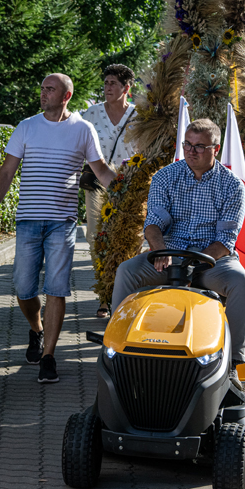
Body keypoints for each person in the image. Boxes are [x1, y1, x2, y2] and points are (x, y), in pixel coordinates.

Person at [0, 73, 116, 384]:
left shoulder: (83, 129)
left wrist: (126, 195)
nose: (43, 93)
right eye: (42, 87)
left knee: (56, 288)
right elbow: (7, 172)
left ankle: (49, 357)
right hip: (27, 220)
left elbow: (101, 171)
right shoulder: (27, 126)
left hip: (62, 222)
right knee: (24, 288)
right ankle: (37, 330)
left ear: (66, 96)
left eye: (50, 89)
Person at [111, 118, 245, 385]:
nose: (191, 150)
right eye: (187, 144)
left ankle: (233, 363)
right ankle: (116, 350)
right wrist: (161, 249)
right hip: (168, 254)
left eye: (199, 146)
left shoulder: (232, 185)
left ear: (216, 149)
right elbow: (152, 223)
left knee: (239, 281)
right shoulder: (166, 176)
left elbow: (226, 240)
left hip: (211, 260)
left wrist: (195, 264)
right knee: (127, 271)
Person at [82, 64, 136, 318]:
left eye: (113, 83)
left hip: (130, 186)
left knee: (127, 237)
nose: (108, 88)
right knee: (96, 237)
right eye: (105, 83)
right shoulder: (90, 115)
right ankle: (104, 296)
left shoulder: (140, 116)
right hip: (96, 185)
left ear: (127, 87)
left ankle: (124, 294)